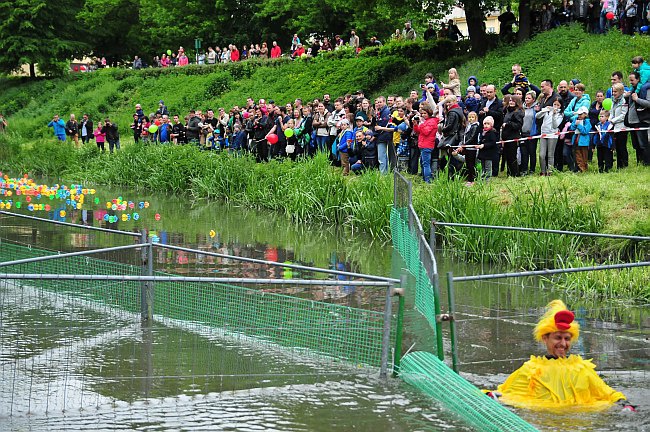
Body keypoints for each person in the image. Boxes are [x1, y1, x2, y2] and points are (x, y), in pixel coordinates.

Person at [488, 299, 634, 412]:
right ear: (545, 338)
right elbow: (506, 393)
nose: (563, 344)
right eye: (558, 338)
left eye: (567, 338)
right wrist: (493, 396)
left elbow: (605, 392)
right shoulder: (531, 369)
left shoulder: (582, 369)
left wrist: (624, 404)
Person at [412, 102, 439, 183]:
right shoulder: (426, 121)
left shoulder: (432, 121)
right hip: (422, 145)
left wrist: (421, 123)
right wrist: (415, 125)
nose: (423, 115)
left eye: (425, 113)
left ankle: (427, 181)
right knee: (423, 163)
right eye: (422, 113)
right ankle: (424, 179)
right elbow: (418, 131)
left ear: (429, 113)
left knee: (426, 164)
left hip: (427, 145)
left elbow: (426, 132)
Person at [536, 98, 564, 175]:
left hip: (552, 135)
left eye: (558, 105)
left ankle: (550, 172)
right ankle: (543, 171)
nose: (555, 106)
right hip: (544, 134)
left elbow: (555, 126)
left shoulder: (560, 114)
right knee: (542, 155)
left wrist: (554, 115)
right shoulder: (547, 110)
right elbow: (537, 116)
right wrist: (543, 111)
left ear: (560, 106)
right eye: (554, 104)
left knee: (550, 155)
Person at [569, 106, 592, 172]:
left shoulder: (587, 122)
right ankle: (580, 168)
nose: (579, 116)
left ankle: (584, 169)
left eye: (581, 114)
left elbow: (585, 131)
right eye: (578, 114)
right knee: (577, 155)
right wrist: (575, 124)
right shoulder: (576, 119)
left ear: (585, 114)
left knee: (584, 156)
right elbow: (571, 128)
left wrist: (579, 125)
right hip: (576, 140)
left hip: (583, 142)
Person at [477, 116, 499, 181]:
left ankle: (487, 179)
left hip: (489, 154)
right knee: (482, 167)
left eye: (488, 124)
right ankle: (482, 178)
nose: (486, 125)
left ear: (491, 125)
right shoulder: (482, 133)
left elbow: (492, 143)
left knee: (488, 167)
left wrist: (484, 145)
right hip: (482, 154)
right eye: (485, 124)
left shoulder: (492, 133)